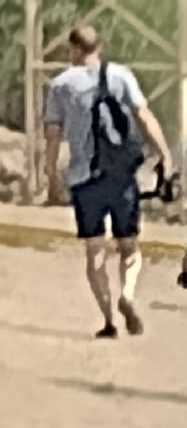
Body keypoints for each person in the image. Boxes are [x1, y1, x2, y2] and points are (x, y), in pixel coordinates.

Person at [40, 22, 175, 341]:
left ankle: (109, 320)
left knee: (95, 252)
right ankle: (128, 293)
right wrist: (164, 154)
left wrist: (49, 174)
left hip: (84, 178)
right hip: (121, 175)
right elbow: (143, 116)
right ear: (98, 48)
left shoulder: (60, 85)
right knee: (129, 247)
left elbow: (53, 135)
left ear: (72, 49)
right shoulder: (120, 75)